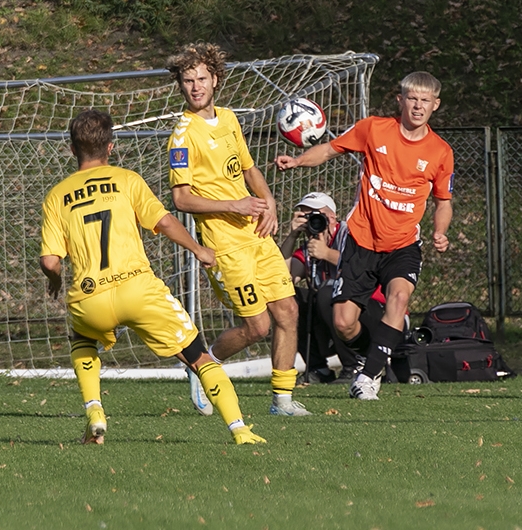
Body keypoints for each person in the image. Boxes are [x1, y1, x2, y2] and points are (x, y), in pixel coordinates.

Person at [39, 109, 266, 445]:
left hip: (91, 297)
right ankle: (240, 429)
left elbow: (49, 260)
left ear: (72, 150)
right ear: (111, 148)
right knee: (197, 356)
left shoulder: (57, 196)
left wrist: (56, 279)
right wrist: (199, 250)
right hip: (137, 289)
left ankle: (95, 411)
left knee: (82, 339)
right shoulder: (127, 180)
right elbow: (164, 222)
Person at [275, 71, 454, 400]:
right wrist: (298, 161)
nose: (418, 106)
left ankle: (369, 376)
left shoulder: (440, 151)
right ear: (400, 100)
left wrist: (440, 231)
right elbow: (329, 150)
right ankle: (369, 356)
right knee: (344, 322)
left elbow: (444, 202)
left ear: (435, 105)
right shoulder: (373, 129)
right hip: (360, 241)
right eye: (412, 99)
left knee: (399, 297)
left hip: (403, 244)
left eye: (425, 101)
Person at [166, 42, 309, 416]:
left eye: (201, 78)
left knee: (288, 311)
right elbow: (181, 199)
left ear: (215, 80)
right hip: (225, 244)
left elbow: (248, 169)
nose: (195, 86)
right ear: (180, 86)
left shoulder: (228, 118)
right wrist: (235, 204)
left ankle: (283, 401)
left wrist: (269, 201)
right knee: (257, 327)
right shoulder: (182, 136)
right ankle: (202, 366)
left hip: (256, 235)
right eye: (187, 80)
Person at [280, 192, 394, 384]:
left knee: (328, 291)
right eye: (305, 215)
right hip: (334, 316)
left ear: (332, 217)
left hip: (370, 310)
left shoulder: (353, 234)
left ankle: (354, 366)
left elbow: (362, 268)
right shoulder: (308, 247)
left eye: (316, 214)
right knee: (287, 298)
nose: (311, 220)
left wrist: (327, 254)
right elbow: (283, 278)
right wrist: (292, 236)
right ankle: (318, 368)